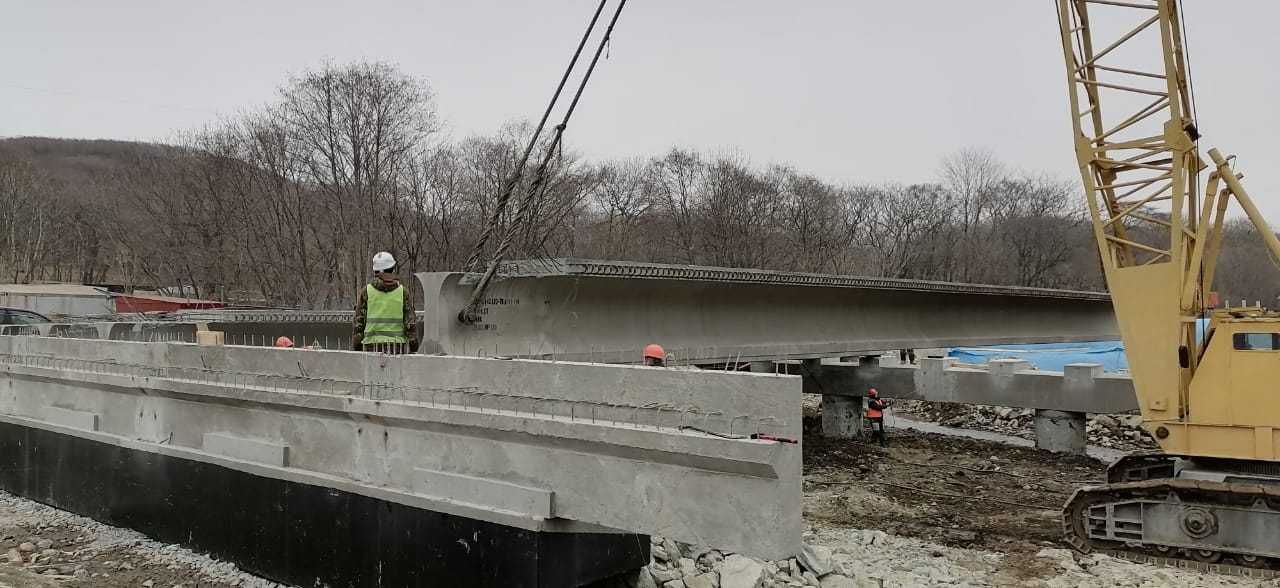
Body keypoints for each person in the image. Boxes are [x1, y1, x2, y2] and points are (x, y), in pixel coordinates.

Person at [352, 251, 421, 354]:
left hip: (371, 347)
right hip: (396, 347)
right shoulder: (402, 292)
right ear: (392, 269)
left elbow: (358, 323)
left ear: (375, 271)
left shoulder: (367, 291)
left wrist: (356, 347)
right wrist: (414, 347)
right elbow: (410, 324)